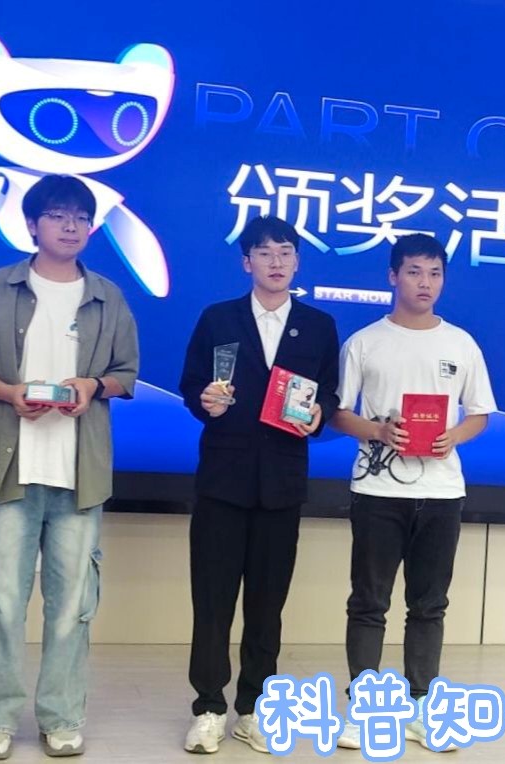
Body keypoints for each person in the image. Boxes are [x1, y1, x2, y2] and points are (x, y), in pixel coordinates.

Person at [0, 174, 140, 760]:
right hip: (10, 469)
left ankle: (61, 716)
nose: (71, 226)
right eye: (58, 215)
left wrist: (92, 386)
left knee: (72, 608)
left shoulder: (107, 295)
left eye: (81, 217)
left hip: (81, 475)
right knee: (3, 603)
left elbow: (127, 373)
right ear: (32, 224)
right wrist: (10, 394)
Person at [178, 216, 340, 754]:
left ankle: (254, 707)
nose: (276, 262)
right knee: (213, 601)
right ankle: (208, 707)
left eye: (285, 252)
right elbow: (191, 384)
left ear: (297, 262)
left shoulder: (317, 325)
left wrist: (319, 413)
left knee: (267, 605)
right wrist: (204, 400)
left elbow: (330, 394)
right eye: (265, 253)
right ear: (247, 261)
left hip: (282, 483)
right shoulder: (217, 318)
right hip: (222, 480)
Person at [332, 233, 496, 752]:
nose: (425, 283)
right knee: (369, 602)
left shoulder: (461, 343)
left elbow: (479, 414)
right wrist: (378, 431)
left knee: (429, 605)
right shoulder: (364, 342)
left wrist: (454, 436)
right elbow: (337, 413)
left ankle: (421, 708)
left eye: (434, 273)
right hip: (377, 489)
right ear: (393, 276)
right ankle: (363, 709)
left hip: (442, 491)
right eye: (414, 272)